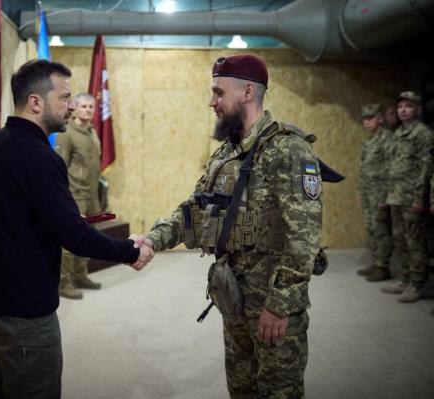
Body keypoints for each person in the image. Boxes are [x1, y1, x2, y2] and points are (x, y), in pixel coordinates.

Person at [132, 54, 322, 398]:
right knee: (241, 388)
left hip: (271, 302)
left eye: (219, 93)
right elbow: (195, 209)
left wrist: (279, 306)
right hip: (232, 295)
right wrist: (153, 240)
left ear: (248, 92)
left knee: (279, 390)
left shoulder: (288, 151)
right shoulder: (225, 154)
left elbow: (303, 239)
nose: (212, 102)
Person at [0, 60, 153, 399]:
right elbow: (75, 237)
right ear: (36, 102)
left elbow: (17, 217)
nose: (70, 106)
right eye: (65, 97)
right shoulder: (39, 157)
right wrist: (129, 250)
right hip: (22, 311)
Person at [381, 91, 433, 303]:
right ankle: (404, 278)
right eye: (400, 106)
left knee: (415, 242)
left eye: (408, 106)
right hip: (396, 195)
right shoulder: (398, 133)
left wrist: (421, 197)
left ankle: (417, 284)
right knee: (400, 239)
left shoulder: (423, 134)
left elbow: (425, 166)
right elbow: (392, 166)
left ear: (417, 109)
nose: (403, 110)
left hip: (412, 196)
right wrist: (387, 194)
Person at [55, 93, 103, 299]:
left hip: (91, 195)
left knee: (87, 238)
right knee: (68, 242)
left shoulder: (92, 132)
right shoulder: (67, 133)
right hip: (74, 196)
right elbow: (59, 166)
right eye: (83, 106)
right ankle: (64, 283)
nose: (87, 110)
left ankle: (80, 275)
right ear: (75, 108)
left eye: (91, 107)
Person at [356, 104, 393, 282]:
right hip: (368, 192)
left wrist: (386, 195)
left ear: (380, 118)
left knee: (381, 230)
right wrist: (360, 192)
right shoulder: (369, 142)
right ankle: (377, 262)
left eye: (371, 118)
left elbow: (391, 169)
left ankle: (383, 266)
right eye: (364, 119)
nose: (367, 122)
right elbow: (364, 170)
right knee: (371, 228)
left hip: (380, 193)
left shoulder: (387, 140)